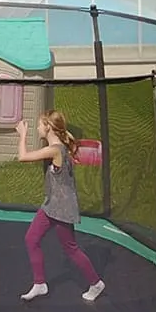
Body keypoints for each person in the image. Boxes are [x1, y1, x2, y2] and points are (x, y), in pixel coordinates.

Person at [15, 109, 105, 302]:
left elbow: (23, 157)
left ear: (48, 127)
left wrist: (22, 135)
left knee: (71, 248)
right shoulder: (58, 147)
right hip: (51, 205)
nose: (37, 128)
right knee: (31, 239)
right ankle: (40, 284)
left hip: (62, 207)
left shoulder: (56, 149)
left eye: (40, 124)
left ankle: (96, 283)